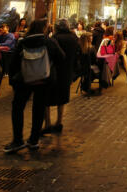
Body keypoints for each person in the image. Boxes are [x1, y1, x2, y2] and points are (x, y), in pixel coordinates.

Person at [5, 19, 64, 153]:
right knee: (38, 109)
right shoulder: (49, 42)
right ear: (44, 29)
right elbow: (61, 57)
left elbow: (13, 63)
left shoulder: (23, 42)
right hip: (43, 80)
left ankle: (17, 140)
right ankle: (34, 140)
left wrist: (14, 81)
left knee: (18, 108)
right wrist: (50, 66)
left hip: (24, 80)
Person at [44, 19, 79, 135]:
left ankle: (47, 123)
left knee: (47, 98)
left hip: (54, 72)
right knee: (62, 98)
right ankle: (59, 122)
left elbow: (50, 55)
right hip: (67, 72)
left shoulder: (54, 38)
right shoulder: (74, 38)